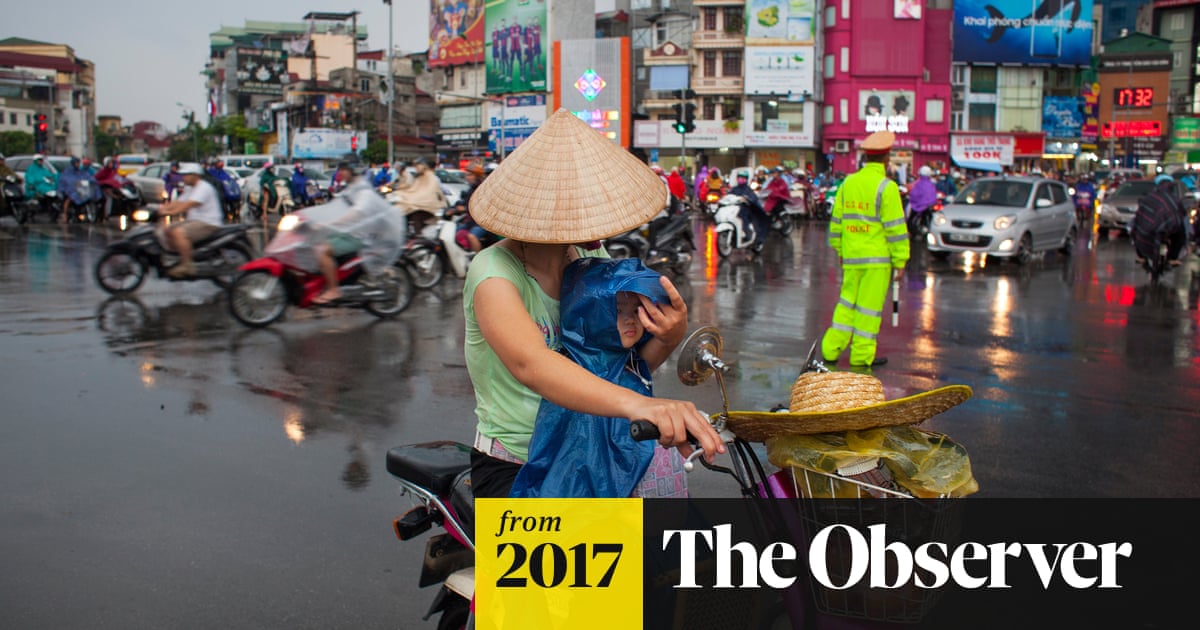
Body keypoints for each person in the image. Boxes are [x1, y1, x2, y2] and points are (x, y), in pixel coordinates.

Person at [464, 109, 724, 500]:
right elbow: (532, 364)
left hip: (596, 444)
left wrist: (670, 335)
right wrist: (642, 407)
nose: (598, 224)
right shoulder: (494, 274)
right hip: (518, 462)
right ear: (543, 211)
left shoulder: (593, 261)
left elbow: (613, 372)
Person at [509, 258, 687, 498]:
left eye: (637, 310)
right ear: (591, 313)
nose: (630, 320)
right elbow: (573, 471)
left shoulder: (625, 359)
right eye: (617, 310)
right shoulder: (578, 377)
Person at [821, 130, 909, 369]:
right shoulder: (886, 187)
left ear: (866, 157)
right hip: (877, 261)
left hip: (851, 258)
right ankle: (861, 357)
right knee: (868, 311)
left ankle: (831, 349)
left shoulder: (848, 183)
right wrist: (900, 261)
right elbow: (895, 229)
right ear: (887, 158)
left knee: (847, 304)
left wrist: (840, 250)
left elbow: (836, 222)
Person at [311, 161, 405, 304]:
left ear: (352, 170)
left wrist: (329, 224)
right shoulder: (352, 187)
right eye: (340, 169)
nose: (340, 173)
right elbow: (337, 207)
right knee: (316, 241)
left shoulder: (364, 191)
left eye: (344, 169)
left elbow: (357, 213)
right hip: (350, 231)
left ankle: (333, 290)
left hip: (358, 235)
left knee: (322, 250)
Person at [157, 164, 223, 278]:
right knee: (168, 230)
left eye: (186, 175)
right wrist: (162, 208)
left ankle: (187, 265)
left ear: (195, 176)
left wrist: (171, 213)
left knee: (178, 232)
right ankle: (180, 256)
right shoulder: (190, 188)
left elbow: (189, 204)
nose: (184, 178)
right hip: (195, 221)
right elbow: (179, 202)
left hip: (208, 222)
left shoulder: (204, 187)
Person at [1130, 174, 1188, 268]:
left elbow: (1140, 215)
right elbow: (1182, 213)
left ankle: (1142, 256)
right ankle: (1172, 258)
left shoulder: (1149, 198)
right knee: (1180, 233)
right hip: (1170, 228)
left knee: (1136, 231)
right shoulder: (1175, 199)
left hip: (1150, 228)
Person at [388, 157, 445, 233]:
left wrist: (411, 197)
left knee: (415, 216)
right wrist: (401, 193)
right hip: (419, 203)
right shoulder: (419, 177)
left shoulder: (431, 177)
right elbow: (414, 189)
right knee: (400, 209)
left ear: (423, 166)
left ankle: (418, 235)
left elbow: (427, 192)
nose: (416, 168)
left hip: (429, 206)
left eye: (417, 166)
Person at [450, 165, 492, 253]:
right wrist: (454, 208)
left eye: (470, 175)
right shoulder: (472, 188)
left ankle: (477, 259)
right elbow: (464, 201)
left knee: (471, 236)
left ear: (477, 176)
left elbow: (481, 206)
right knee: (453, 232)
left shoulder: (482, 188)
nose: (467, 177)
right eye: (467, 175)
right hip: (471, 221)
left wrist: (465, 208)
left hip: (482, 222)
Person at [729, 171, 768, 249]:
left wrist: (747, 199)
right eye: (739, 178)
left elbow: (753, 198)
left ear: (746, 179)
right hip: (734, 210)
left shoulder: (748, 189)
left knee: (744, 219)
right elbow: (729, 196)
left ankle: (748, 235)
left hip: (745, 210)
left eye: (743, 178)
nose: (740, 179)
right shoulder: (734, 189)